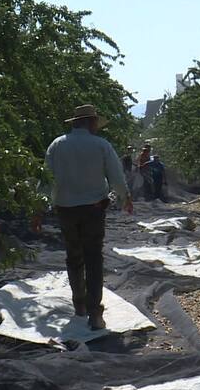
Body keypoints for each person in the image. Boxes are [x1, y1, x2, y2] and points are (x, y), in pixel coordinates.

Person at [44, 105, 133, 330]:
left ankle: (79, 305)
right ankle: (95, 313)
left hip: (66, 209)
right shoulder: (101, 145)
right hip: (93, 209)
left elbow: (46, 180)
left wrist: (38, 209)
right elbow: (116, 176)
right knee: (93, 259)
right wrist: (125, 198)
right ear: (91, 123)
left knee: (74, 257)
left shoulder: (57, 145)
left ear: (75, 122)